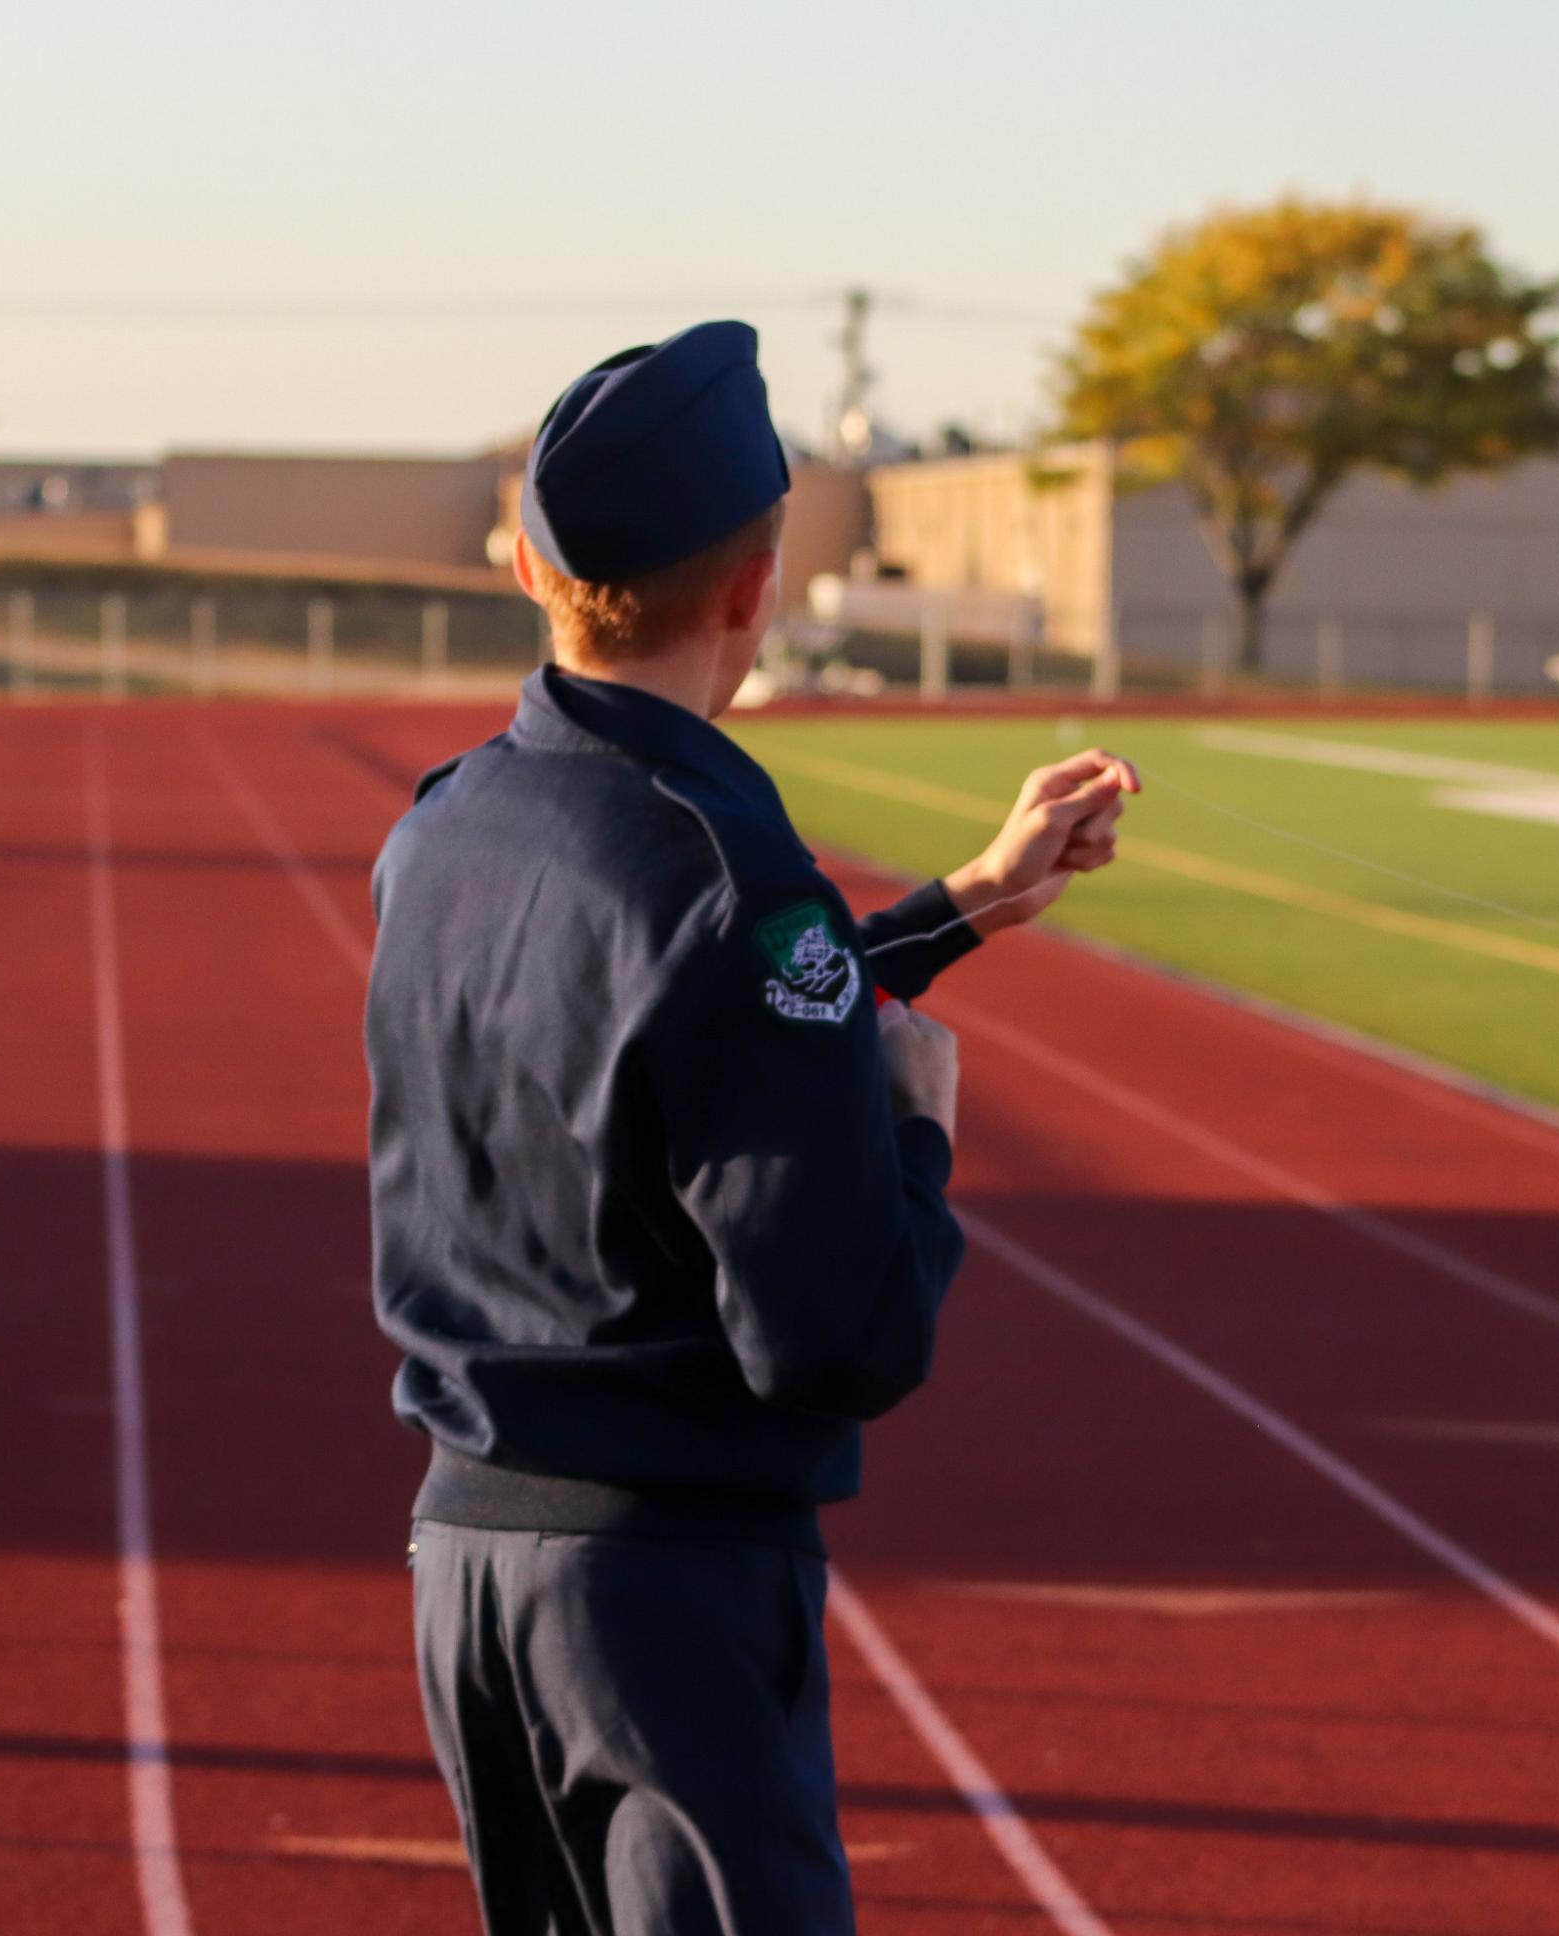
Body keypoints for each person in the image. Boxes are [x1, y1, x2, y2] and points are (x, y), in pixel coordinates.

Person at [365, 319, 1136, 1935]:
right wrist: (911, 1135)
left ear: (526, 564)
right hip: (661, 1603)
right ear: (754, 587)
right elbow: (836, 1340)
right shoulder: (728, 871)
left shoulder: (444, 824)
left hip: (466, 1563)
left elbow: (657, 1026)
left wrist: (959, 911)